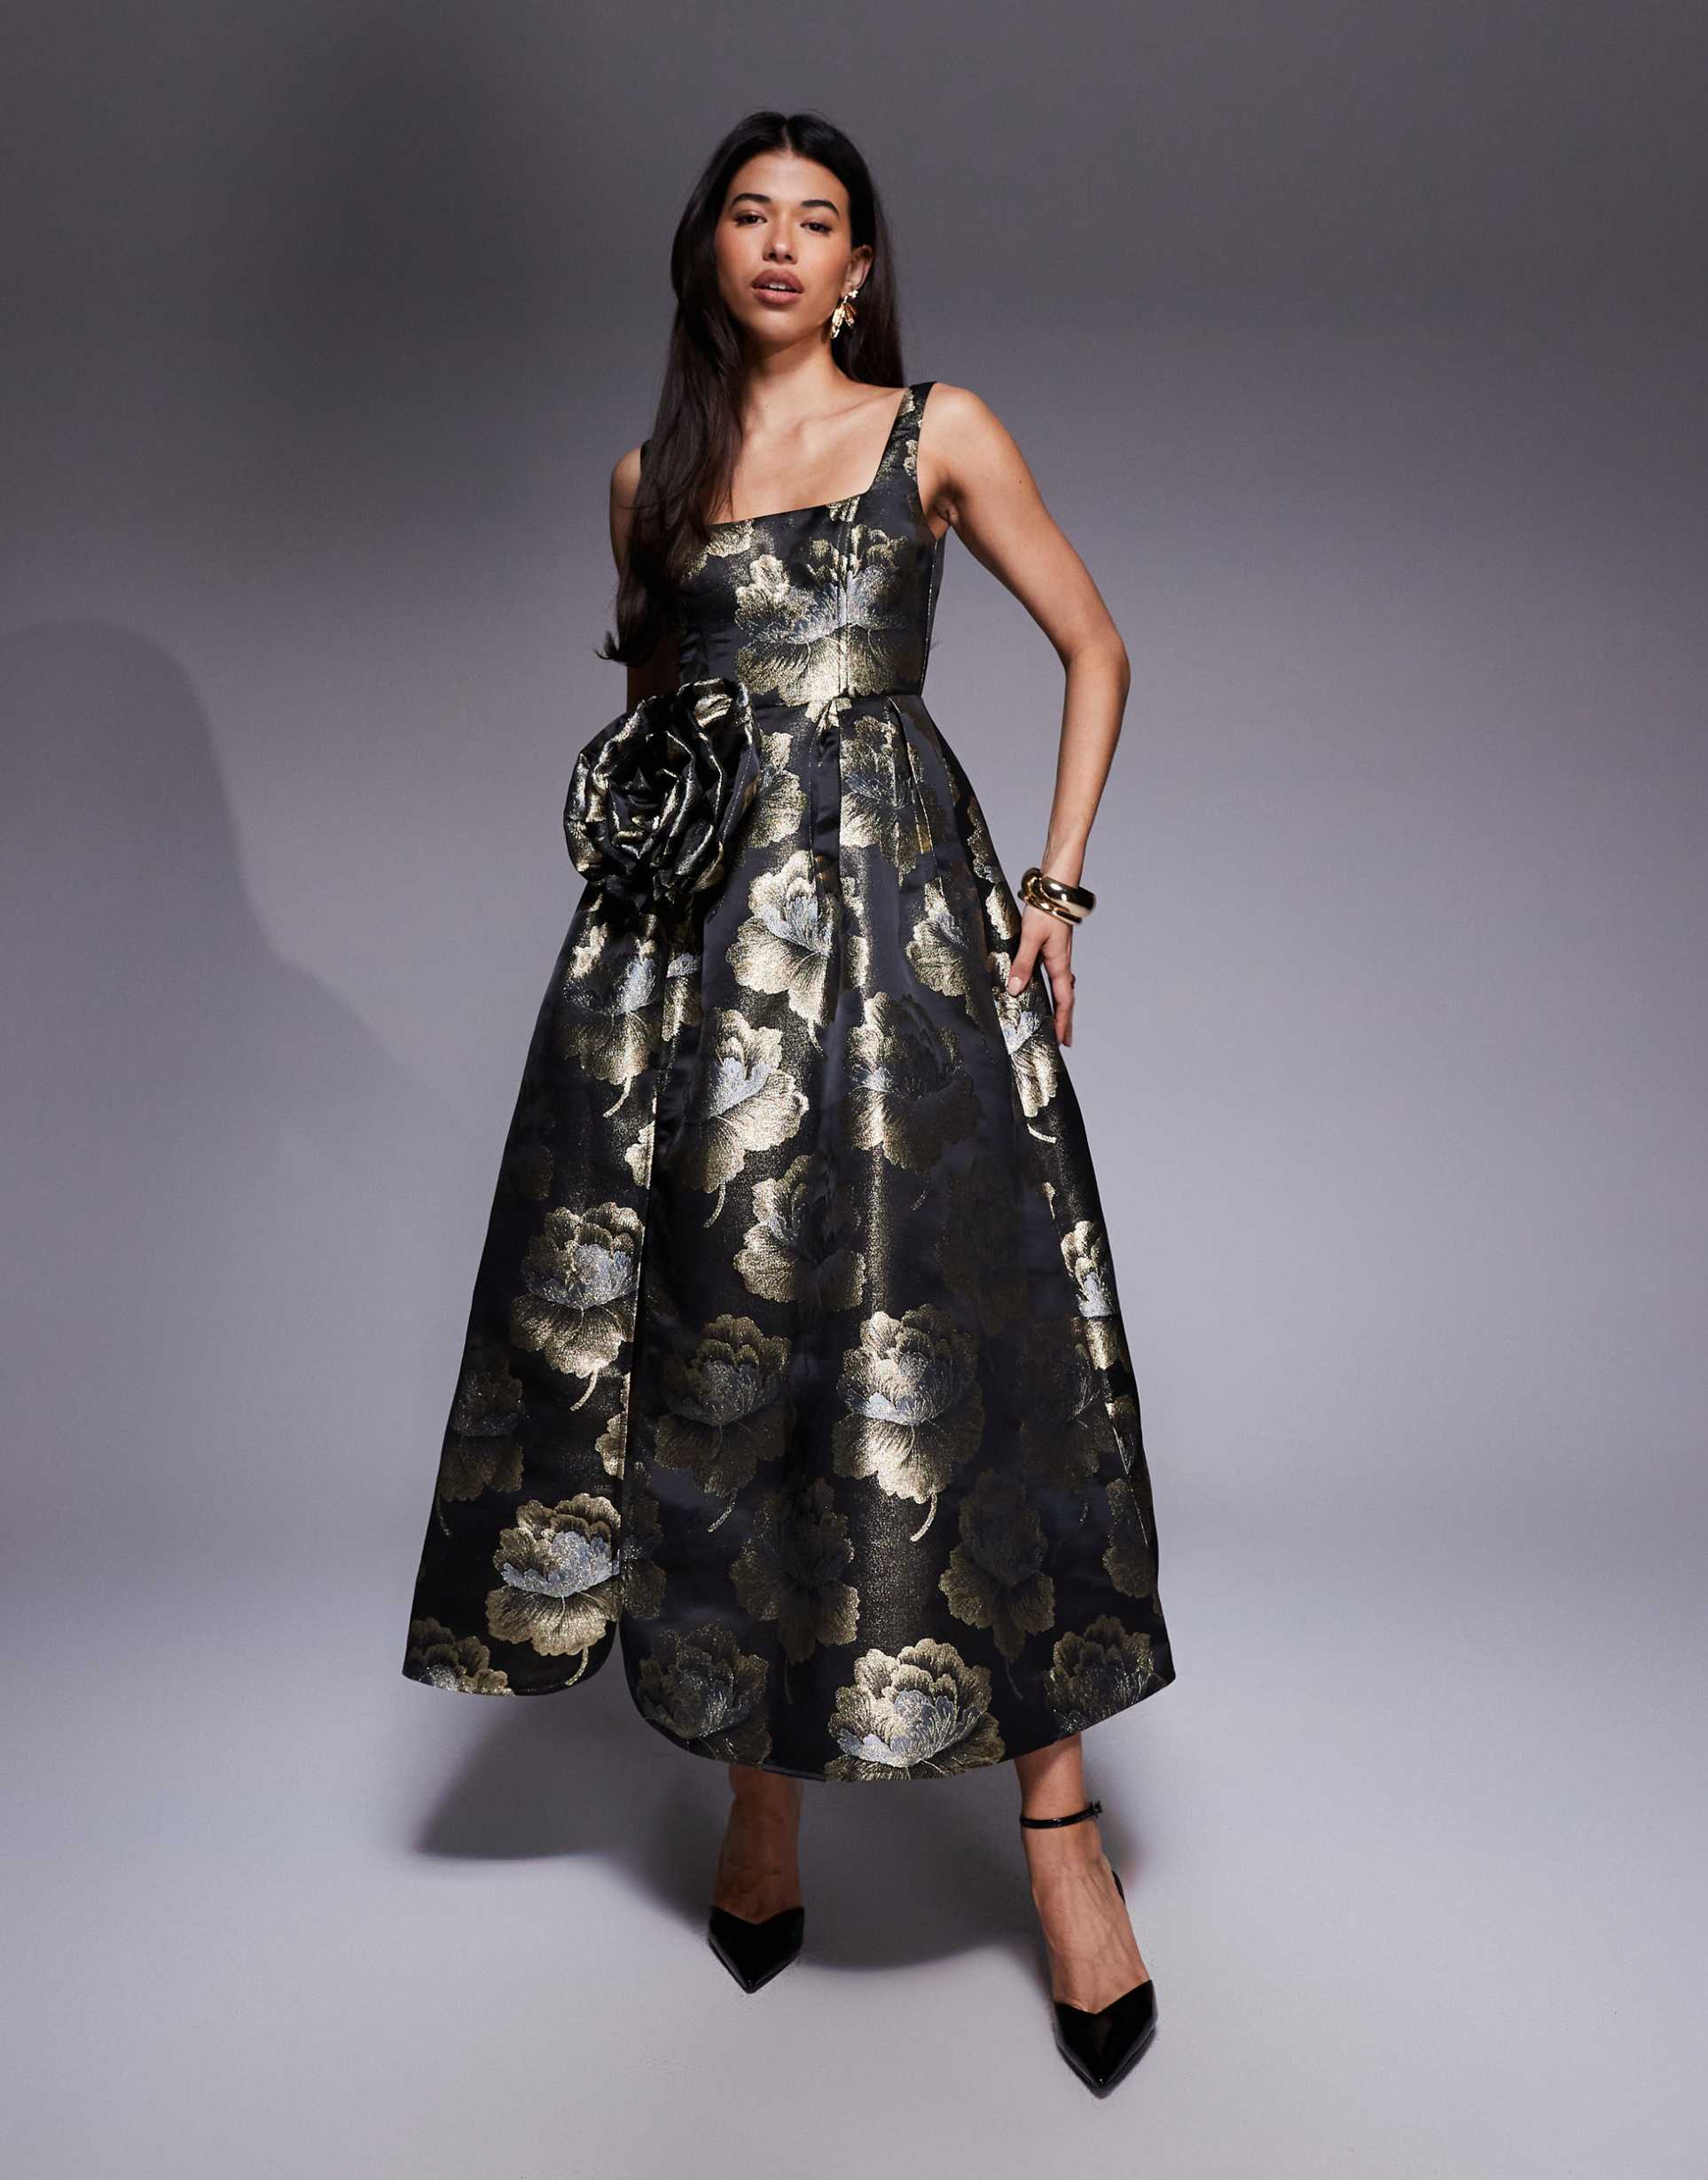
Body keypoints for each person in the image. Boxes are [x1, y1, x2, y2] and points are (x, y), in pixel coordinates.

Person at [400, 107, 1177, 2097]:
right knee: (726, 1342)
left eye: (816, 220)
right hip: (705, 979)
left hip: (908, 946)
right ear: (709, 252)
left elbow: (1095, 646)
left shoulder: (939, 430)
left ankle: (1063, 1840)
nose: (778, 244)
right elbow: (661, 746)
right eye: (748, 214)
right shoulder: (646, 481)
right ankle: (762, 1791)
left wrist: (1055, 892)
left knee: (964, 1337)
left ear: (857, 269)